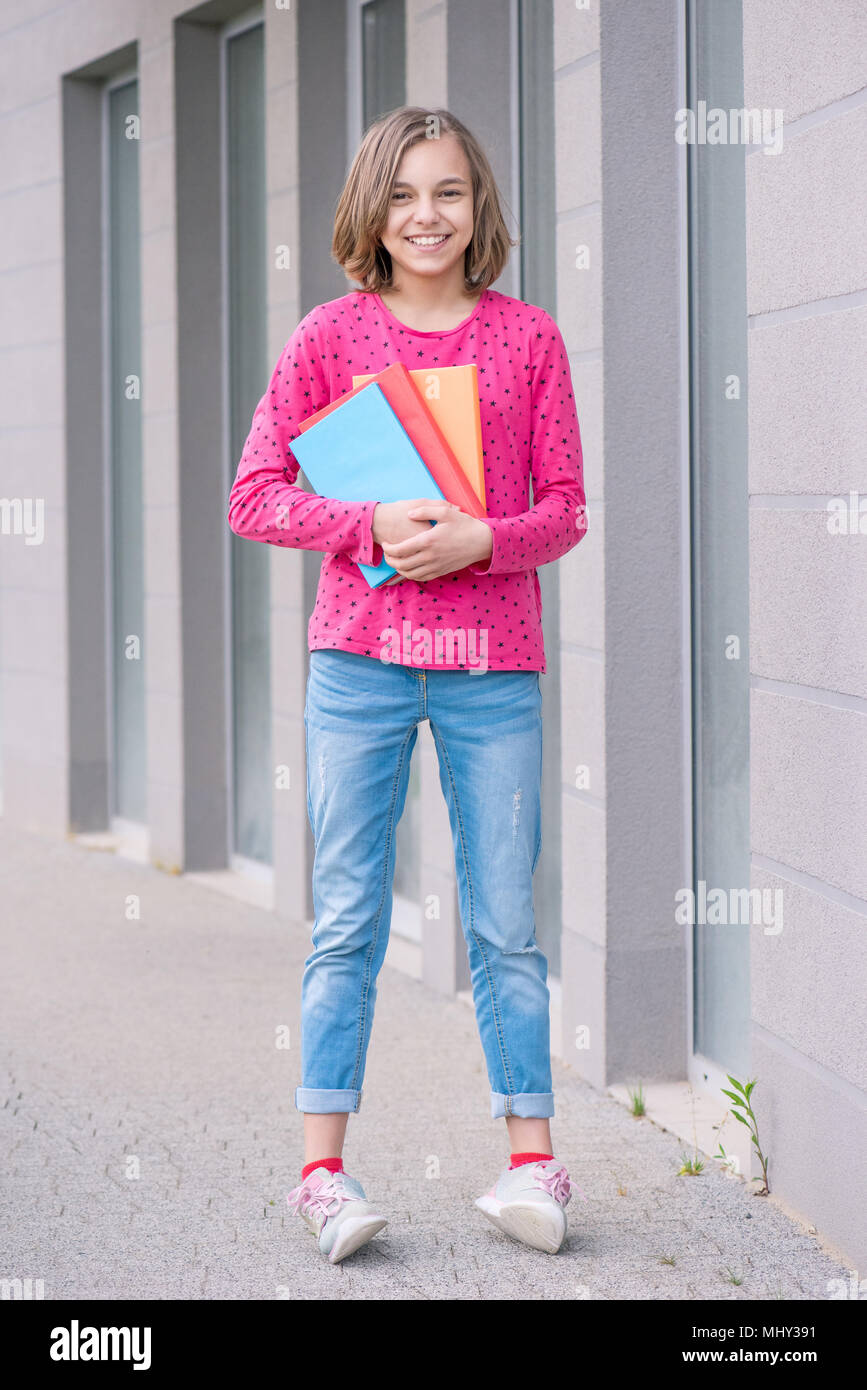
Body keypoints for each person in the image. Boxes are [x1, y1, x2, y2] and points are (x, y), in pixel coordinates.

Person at [227, 105, 589, 1264]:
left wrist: (483, 541)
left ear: (479, 206)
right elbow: (253, 496)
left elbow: (567, 511)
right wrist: (370, 519)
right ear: (370, 212)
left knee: (504, 924)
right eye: (403, 196)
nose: (426, 217)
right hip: (361, 668)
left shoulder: (530, 340)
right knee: (346, 922)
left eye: (448, 193)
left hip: (492, 671)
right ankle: (322, 1175)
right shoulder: (328, 338)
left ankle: (534, 1167)